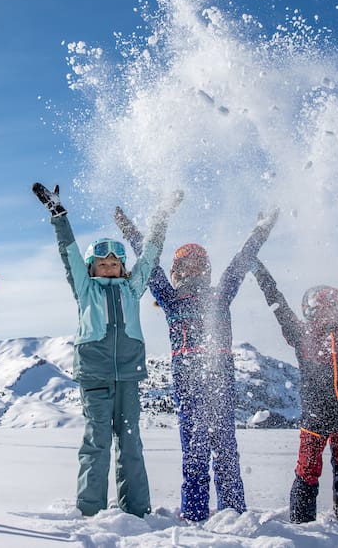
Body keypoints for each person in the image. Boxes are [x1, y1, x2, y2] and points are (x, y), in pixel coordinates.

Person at [115, 207, 278, 522]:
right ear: (177, 273)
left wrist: (261, 230)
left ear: (206, 271)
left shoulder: (218, 296)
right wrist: (130, 230)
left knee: (224, 454)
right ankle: (195, 515)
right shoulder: (171, 298)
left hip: (218, 387)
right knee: (197, 455)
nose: (191, 273)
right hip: (190, 389)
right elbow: (148, 260)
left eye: (198, 267)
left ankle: (231, 515)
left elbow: (241, 261)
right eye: (185, 268)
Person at [33, 182, 183, 518]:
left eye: (114, 262)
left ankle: (137, 510)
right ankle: (89, 510)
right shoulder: (85, 290)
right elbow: (68, 253)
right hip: (95, 376)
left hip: (128, 376)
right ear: (91, 268)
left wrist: (162, 216)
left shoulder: (133, 288)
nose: (109, 266)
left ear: (123, 267)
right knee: (97, 442)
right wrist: (59, 216)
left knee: (130, 443)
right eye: (102, 263)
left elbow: (151, 255)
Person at [251, 257, 338, 524]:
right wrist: (260, 271)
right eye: (320, 308)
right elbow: (277, 303)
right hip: (315, 419)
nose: (324, 313)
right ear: (309, 311)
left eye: (329, 308)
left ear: (336, 310)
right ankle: (301, 527)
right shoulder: (301, 334)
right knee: (307, 472)